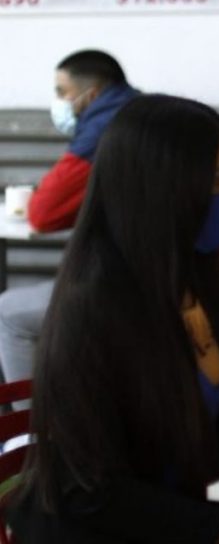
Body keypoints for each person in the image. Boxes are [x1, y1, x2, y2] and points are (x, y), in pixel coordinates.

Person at [9, 95, 219, 543]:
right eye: (218, 179)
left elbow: (211, 413)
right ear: (162, 188)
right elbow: (87, 487)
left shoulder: (194, 279)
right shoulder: (95, 308)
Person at [0, 49, 139, 389]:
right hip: (151, 273)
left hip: (127, 286)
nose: (58, 101)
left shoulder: (105, 130)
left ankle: (30, 435)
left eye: (62, 92)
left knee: (7, 316)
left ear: (90, 94)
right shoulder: (137, 113)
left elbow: (43, 213)